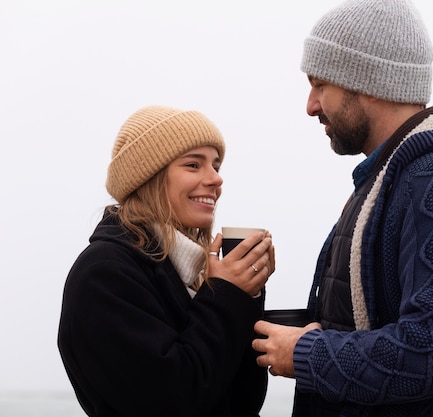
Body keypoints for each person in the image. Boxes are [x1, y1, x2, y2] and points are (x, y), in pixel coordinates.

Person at [252, 0, 433, 416]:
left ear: (363, 79)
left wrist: (307, 353)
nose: (310, 105)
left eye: (320, 84)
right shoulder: (391, 180)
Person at [57, 105, 275, 417]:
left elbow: (242, 402)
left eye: (216, 165)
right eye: (193, 165)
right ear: (149, 176)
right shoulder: (104, 273)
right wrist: (227, 296)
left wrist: (246, 293)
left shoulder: (190, 273)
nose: (216, 179)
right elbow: (170, 398)